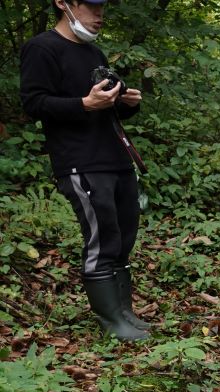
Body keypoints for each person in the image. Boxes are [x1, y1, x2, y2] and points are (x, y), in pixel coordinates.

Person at [20, 0, 148, 341]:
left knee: (123, 237)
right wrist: (84, 103)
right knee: (102, 239)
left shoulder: (95, 54)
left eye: (103, 6)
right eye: (90, 6)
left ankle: (125, 313)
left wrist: (125, 103)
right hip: (80, 162)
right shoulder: (42, 48)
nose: (99, 13)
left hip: (116, 159)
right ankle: (111, 322)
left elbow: (104, 112)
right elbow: (33, 103)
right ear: (64, 4)